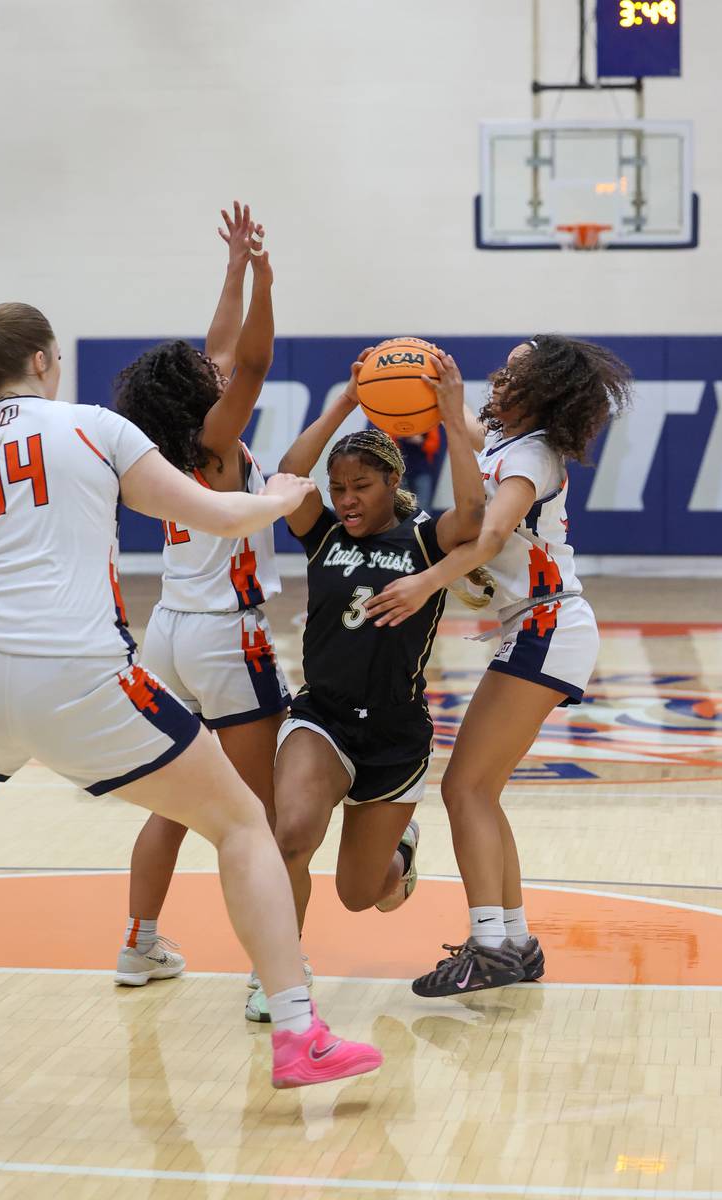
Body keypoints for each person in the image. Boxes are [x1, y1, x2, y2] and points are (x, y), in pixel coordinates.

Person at [0, 300, 382, 1088]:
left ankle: (145, 939)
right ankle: (296, 1031)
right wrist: (280, 497)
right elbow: (217, 513)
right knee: (242, 821)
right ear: (43, 360)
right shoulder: (95, 428)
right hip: (81, 672)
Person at [365, 335, 632, 994]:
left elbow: (488, 534)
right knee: (478, 791)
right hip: (538, 625)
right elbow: (458, 428)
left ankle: (489, 947)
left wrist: (426, 583)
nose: (498, 378)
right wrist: (428, 388)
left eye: (513, 372)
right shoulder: (502, 441)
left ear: (540, 390)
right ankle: (514, 942)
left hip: (547, 624)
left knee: (465, 790)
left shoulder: (533, 455)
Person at [251, 347, 488, 1019]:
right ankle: (277, 974)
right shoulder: (323, 534)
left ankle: (399, 857)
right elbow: (287, 475)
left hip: (394, 734)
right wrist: (346, 403)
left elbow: (475, 515)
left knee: (362, 894)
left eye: (361, 487)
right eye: (339, 488)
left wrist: (451, 415)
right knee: (291, 836)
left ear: (392, 483)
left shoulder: (427, 541)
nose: (347, 500)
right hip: (321, 719)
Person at [112, 205, 300, 1001]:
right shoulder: (217, 444)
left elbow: (222, 352)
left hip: (167, 635)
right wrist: (265, 283)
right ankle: (268, 976)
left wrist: (232, 269)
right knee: (258, 813)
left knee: (176, 801)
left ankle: (139, 945)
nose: (212, 366)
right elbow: (249, 362)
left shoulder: (162, 446)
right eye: (203, 372)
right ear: (199, 396)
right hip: (228, 636)